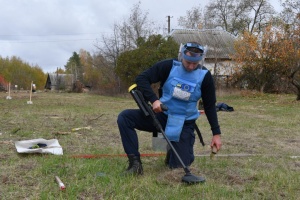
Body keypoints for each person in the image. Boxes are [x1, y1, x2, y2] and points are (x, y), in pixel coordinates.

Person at [117, 42, 222, 175]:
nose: (190, 66)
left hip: (184, 124)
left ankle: (172, 151)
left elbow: (210, 106)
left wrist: (216, 134)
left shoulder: (205, 76)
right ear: (182, 56)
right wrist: (154, 100)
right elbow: (141, 79)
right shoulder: (168, 66)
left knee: (177, 167)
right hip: (162, 117)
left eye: (195, 64)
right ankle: (135, 165)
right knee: (125, 117)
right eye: (188, 62)